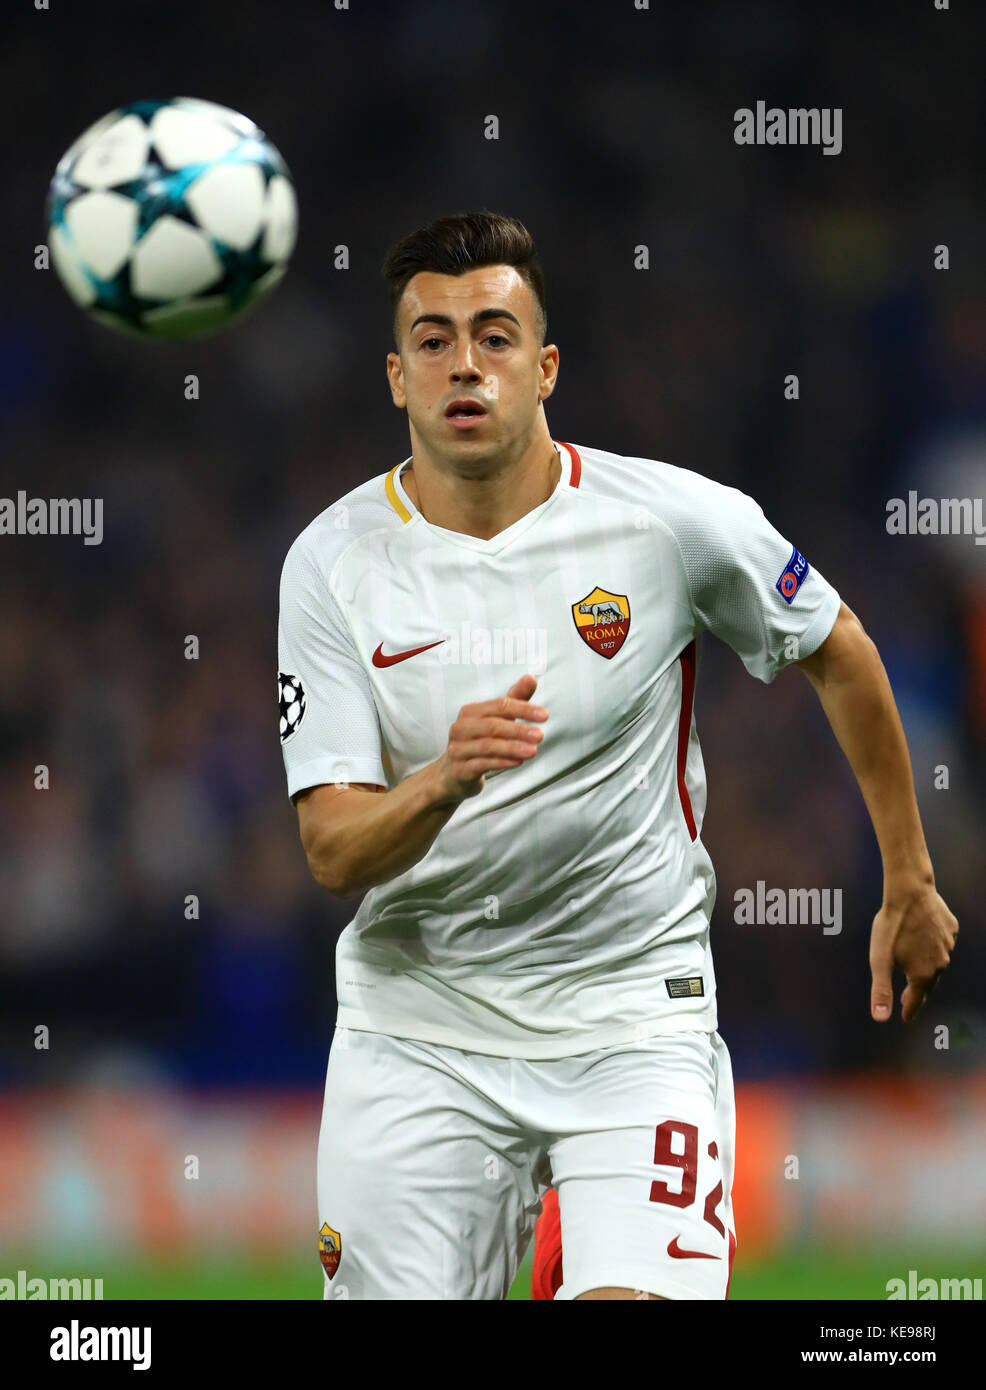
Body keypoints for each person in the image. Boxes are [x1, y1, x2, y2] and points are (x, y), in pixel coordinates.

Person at [277, 210, 958, 1300]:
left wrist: (907, 875)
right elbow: (329, 847)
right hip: (418, 1029)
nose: (465, 363)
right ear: (394, 377)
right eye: (434, 339)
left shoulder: (668, 523)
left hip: (631, 1016)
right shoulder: (332, 564)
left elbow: (838, 648)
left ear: (543, 368)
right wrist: (442, 781)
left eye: (494, 336)